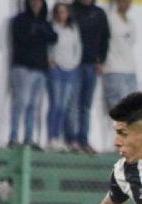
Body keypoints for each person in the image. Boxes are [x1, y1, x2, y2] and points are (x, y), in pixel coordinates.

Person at [9, 0, 58, 149]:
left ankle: (29, 138)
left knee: (34, 106)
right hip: (23, 68)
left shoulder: (44, 22)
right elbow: (22, 38)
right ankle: (14, 137)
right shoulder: (20, 19)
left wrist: (38, 31)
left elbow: (53, 37)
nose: (36, 4)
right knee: (21, 103)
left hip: (40, 69)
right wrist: (37, 32)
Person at [68, 0, 110, 154]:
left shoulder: (99, 13)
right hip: (74, 64)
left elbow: (105, 37)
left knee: (86, 105)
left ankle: (83, 140)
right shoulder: (71, 10)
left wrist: (102, 60)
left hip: (91, 64)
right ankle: (71, 139)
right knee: (73, 104)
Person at [46, 1, 82, 151]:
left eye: (64, 12)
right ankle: (52, 137)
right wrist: (51, 60)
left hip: (70, 70)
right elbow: (48, 46)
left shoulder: (73, 29)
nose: (62, 15)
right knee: (56, 105)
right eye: (59, 12)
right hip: (57, 69)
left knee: (65, 106)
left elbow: (78, 48)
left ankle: (60, 137)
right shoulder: (52, 27)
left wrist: (74, 64)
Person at [102, 0, 137, 113]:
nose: (127, 4)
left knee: (132, 109)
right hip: (113, 69)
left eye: (129, 1)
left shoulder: (130, 22)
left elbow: (131, 43)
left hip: (130, 70)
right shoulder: (110, 19)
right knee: (118, 110)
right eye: (124, 1)